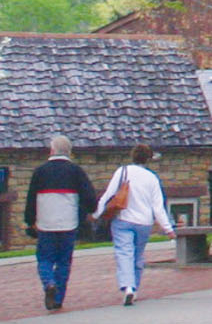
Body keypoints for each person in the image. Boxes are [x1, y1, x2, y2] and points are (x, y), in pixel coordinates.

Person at [24, 134, 97, 312]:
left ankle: (48, 282)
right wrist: (87, 211)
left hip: (46, 223)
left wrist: (30, 220)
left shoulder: (40, 172)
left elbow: (31, 199)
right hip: (68, 223)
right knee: (64, 261)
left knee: (45, 258)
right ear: (69, 152)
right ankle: (58, 298)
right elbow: (90, 199)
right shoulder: (76, 171)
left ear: (51, 150)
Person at [98, 143, 176, 305]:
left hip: (123, 219)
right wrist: (168, 228)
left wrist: (96, 213)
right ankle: (135, 288)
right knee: (137, 256)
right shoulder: (152, 178)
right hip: (144, 223)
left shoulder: (123, 172)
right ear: (148, 159)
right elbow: (158, 207)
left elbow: (108, 195)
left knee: (124, 253)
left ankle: (128, 287)